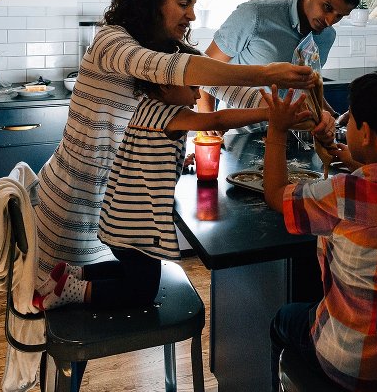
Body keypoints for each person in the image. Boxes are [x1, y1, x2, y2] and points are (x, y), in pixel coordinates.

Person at [33, 0, 316, 287]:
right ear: (152, 2)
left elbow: (232, 90)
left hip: (113, 204)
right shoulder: (110, 40)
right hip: (71, 198)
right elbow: (166, 67)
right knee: (56, 307)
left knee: (105, 299)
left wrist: (300, 116)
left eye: (193, 5)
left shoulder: (168, 49)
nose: (192, 15)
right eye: (184, 4)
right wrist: (266, 73)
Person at [33, 49, 280, 310]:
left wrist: (176, 161)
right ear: (165, 85)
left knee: (130, 270)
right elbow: (217, 118)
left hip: (116, 219)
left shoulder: (146, 108)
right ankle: (73, 292)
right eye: (193, 87)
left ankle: (71, 274)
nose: (198, 94)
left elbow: (145, 149)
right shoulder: (173, 113)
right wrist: (268, 114)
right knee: (142, 290)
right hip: (136, 227)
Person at [260, 65, 377, 392]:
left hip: (350, 365)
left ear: (367, 134)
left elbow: (275, 195)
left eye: (351, 122)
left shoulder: (343, 193)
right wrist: (358, 161)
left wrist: (276, 130)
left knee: (284, 320)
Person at [198, 0, 363, 135]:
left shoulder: (327, 36)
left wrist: (334, 118)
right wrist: (208, 121)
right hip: (240, 136)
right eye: (327, 7)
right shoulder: (254, 16)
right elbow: (204, 71)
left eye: (339, 16)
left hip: (290, 138)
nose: (329, 21)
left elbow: (309, 87)